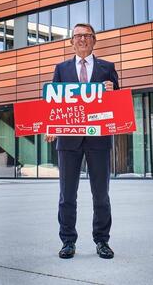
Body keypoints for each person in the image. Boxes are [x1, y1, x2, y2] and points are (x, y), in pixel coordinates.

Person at [45, 23, 119, 260]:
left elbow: (118, 104)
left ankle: (102, 241)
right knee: (67, 195)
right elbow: (53, 102)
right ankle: (68, 241)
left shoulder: (108, 68)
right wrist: (50, 125)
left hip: (99, 139)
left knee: (101, 194)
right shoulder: (61, 68)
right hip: (68, 140)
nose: (82, 40)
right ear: (71, 41)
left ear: (94, 40)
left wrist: (113, 91)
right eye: (78, 36)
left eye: (87, 36)